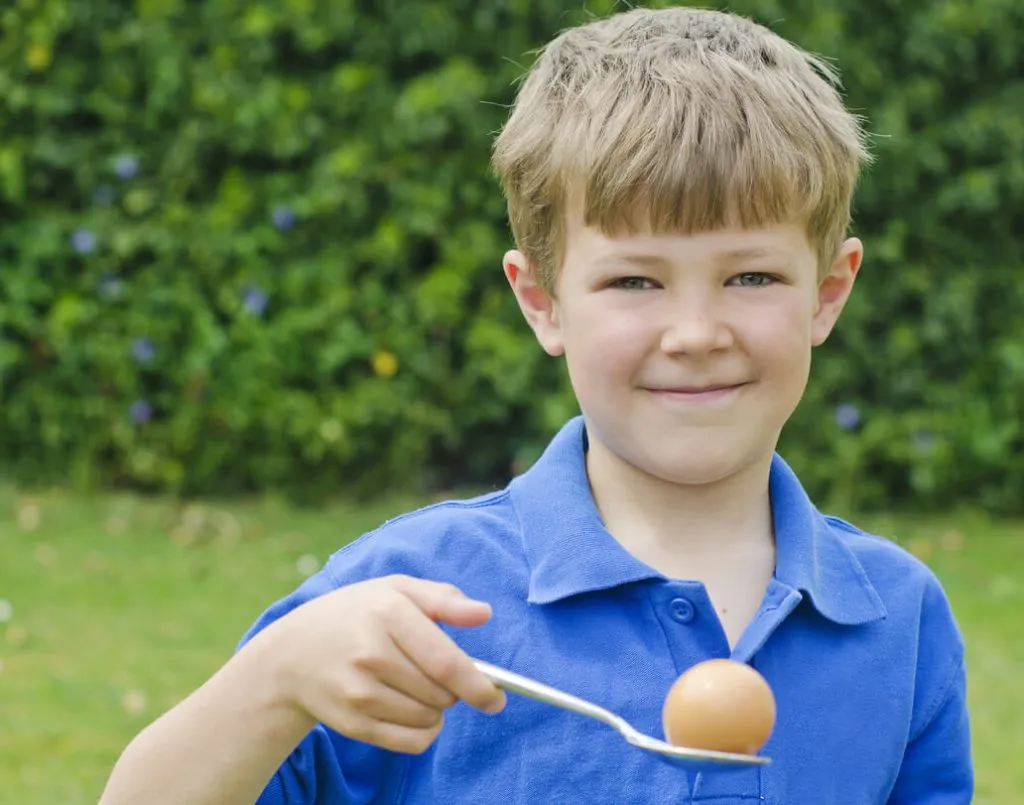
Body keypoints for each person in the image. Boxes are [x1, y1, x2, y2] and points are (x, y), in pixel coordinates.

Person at [99, 6, 973, 804]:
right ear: (543, 301)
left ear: (827, 292)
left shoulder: (899, 617)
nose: (696, 332)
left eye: (751, 276)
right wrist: (275, 680)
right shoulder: (412, 601)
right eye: (635, 280)